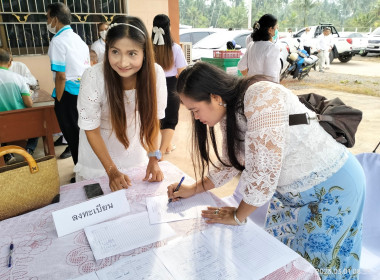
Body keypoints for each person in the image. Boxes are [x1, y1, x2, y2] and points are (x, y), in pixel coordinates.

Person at [168, 61, 365, 279]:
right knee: (284, 260)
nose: (196, 118)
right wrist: (192, 189)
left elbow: (263, 173)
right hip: (294, 196)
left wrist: (237, 215)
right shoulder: (230, 110)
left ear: (215, 97)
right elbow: (230, 162)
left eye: (195, 110)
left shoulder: (261, 97)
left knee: (323, 264)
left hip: (333, 187)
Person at [74, 16, 167, 191]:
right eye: (115, 52)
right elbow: (91, 130)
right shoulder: (94, 76)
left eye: (132, 53)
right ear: (107, 49)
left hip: (134, 151)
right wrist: (111, 171)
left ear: (144, 53)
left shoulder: (155, 73)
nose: (123, 63)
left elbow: (153, 120)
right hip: (98, 156)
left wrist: (153, 159)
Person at [46, 2, 90, 177]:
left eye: (48, 18)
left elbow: (61, 76)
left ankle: (82, 174)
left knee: (73, 137)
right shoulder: (78, 39)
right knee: (83, 136)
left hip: (68, 95)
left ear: (55, 19)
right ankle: (85, 170)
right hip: (83, 91)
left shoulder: (57, 41)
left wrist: (59, 100)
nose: (48, 22)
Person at [151, 14, 187, 156]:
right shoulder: (175, 48)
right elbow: (181, 71)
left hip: (153, 85)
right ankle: (162, 149)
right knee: (171, 119)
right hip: (171, 84)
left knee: (160, 116)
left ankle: (166, 145)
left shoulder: (147, 47)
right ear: (168, 27)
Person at [0, 48, 38, 162]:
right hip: (21, 122)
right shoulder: (18, 78)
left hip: (2, 126)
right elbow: (28, 103)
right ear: (10, 62)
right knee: (37, 125)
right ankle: (29, 150)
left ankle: (7, 154)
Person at [237, 14, 281, 83]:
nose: (276, 30)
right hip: (266, 90)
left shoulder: (251, 45)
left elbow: (241, 66)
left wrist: (250, 80)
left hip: (252, 87)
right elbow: (272, 77)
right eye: (276, 28)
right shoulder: (272, 48)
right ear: (270, 29)